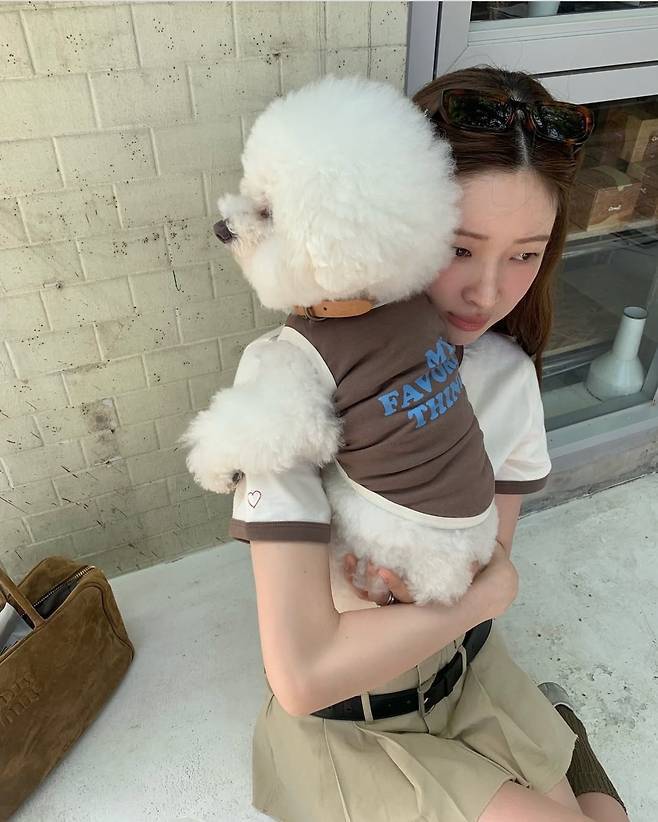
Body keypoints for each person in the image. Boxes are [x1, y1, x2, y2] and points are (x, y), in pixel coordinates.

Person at [229, 67, 629, 822]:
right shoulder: (296, 380)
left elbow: (483, 567)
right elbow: (304, 677)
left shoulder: (506, 376)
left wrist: (479, 592)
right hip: (352, 725)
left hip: (466, 674)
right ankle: (559, 737)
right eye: (459, 248)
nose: (488, 292)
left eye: (525, 253)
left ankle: (556, 732)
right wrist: (488, 593)